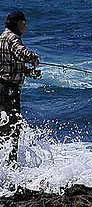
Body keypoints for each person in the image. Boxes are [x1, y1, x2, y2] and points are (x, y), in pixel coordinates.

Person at [0, 10, 41, 164]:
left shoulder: (2, 38)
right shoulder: (12, 38)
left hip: (2, 87)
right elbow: (22, 53)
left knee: (4, 126)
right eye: (24, 24)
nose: (25, 27)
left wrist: (30, 72)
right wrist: (34, 58)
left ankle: (4, 163)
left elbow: (10, 65)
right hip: (9, 89)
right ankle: (11, 164)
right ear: (17, 24)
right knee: (14, 127)